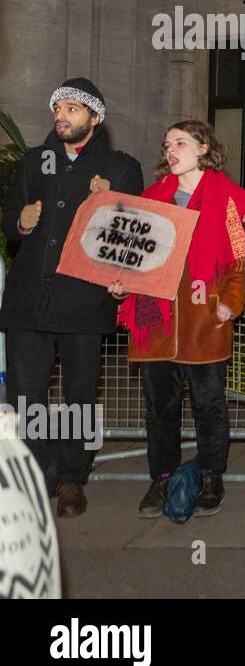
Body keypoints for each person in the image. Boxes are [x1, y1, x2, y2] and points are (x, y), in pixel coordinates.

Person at [0, 78, 143, 518]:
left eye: (72, 108)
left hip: (83, 302)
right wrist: (20, 223)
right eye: (57, 107)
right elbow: (9, 220)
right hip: (27, 301)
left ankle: (71, 481)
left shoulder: (120, 167)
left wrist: (111, 201)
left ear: (94, 117)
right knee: (27, 396)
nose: (61, 114)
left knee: (79, 395)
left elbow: (133, 236)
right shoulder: (32, 162)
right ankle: (36, 477)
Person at [112, 122, 245, 519]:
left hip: (203, 317)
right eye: (166, 145)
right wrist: (120, 283)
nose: (170, 151)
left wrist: (229, 302)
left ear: (203, 147)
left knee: (209, 405)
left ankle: (211, 475)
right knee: (159, 407)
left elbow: (240, 256)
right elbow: (131, 255)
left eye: (180, 143)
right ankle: (163, 477)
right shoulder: (150, 198)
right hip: (153, 319)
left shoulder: (229, 197)